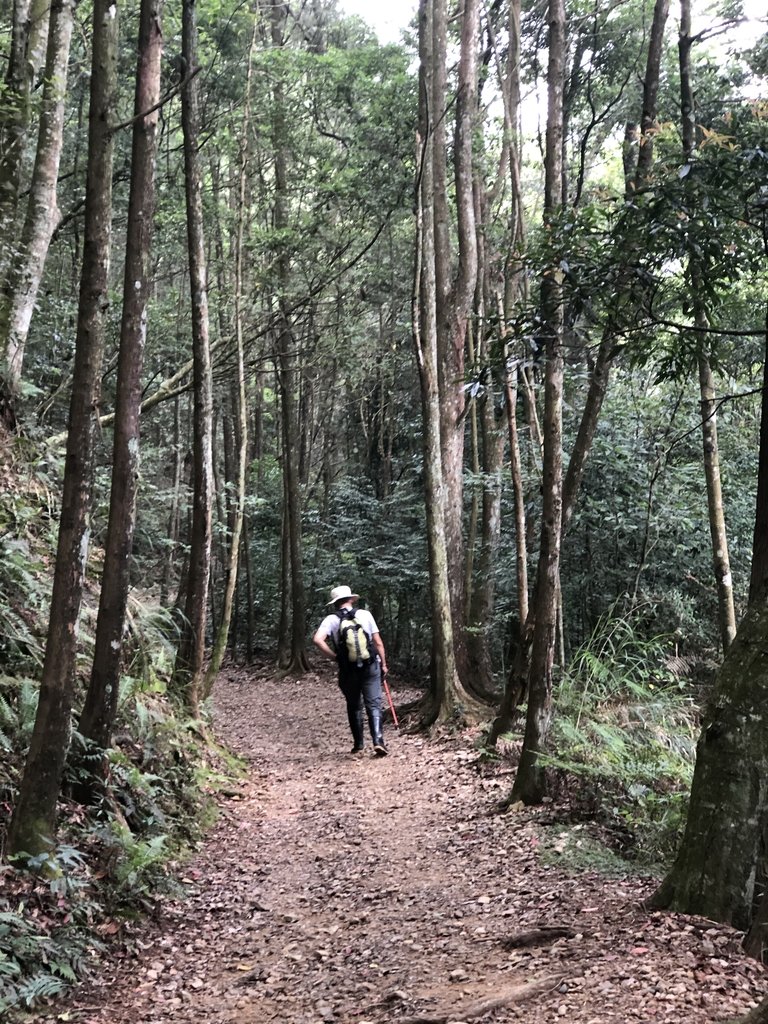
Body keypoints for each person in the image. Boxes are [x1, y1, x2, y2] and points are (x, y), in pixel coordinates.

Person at [313, 585, 389, 756]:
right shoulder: (365, 614)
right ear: (352, 599)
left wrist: (335, 657)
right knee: (374, 704)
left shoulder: (331, 619)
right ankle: (378, 741)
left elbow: (317, 640)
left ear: (335, 603)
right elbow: (378, 642)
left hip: (348, 669)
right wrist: (383, 664)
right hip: (370, 666)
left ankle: (358, 745)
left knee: (354, 705)